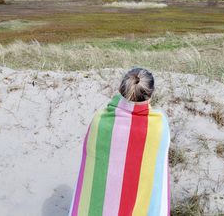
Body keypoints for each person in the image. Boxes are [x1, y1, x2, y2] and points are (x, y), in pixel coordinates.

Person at [69, 68, 171, 216]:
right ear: (151, 93)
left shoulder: (101, 119)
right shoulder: (159, 124)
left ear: (120, 89)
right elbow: (156, 172)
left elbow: (92, 166)